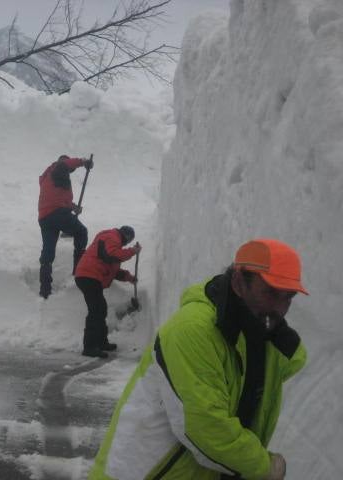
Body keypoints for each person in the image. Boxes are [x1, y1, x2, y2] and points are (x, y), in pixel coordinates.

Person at [89, 238, 308, 480]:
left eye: (288, 297)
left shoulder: (261, 338)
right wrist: (265, 467)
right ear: (237, 282)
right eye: (269, 292)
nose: (279, 307)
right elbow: (206, 428)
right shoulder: (192, 330)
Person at [74, 226, 141, 358]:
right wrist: (132, 251)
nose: (127, 243)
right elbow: (112, 254)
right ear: (126, 236)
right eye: (128, 240)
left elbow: (113, 269)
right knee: (96, 310)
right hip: (88, 275)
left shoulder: (113, 244)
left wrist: (129, 278)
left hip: (90, 277)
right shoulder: (111, 236)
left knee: (101, 309)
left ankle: (101, 342)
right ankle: (90, 347)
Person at [38, 154, 93, 299]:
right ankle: (79, 273)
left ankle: (45, 290)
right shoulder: (58, 166)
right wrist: (83, 161)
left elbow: (56, 197)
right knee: (81, 232)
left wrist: (73, 207)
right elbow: (65, 164)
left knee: (48, 252)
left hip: (45, 217)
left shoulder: (49, 176)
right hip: (57, 213)